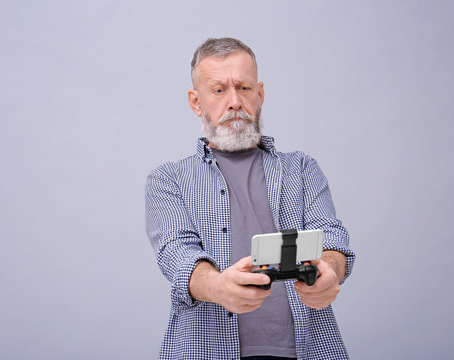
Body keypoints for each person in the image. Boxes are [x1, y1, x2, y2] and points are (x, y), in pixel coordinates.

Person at [145, 37, 355, 360]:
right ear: (196, 102)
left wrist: (329, 270)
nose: (234, 102)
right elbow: (178, 258)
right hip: (206, 349)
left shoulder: (302, 168)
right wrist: (218, 287)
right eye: (219, 90)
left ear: (260, 95)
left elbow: (333, 241)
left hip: (308, 349)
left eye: (243, 88)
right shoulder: (168, 180)